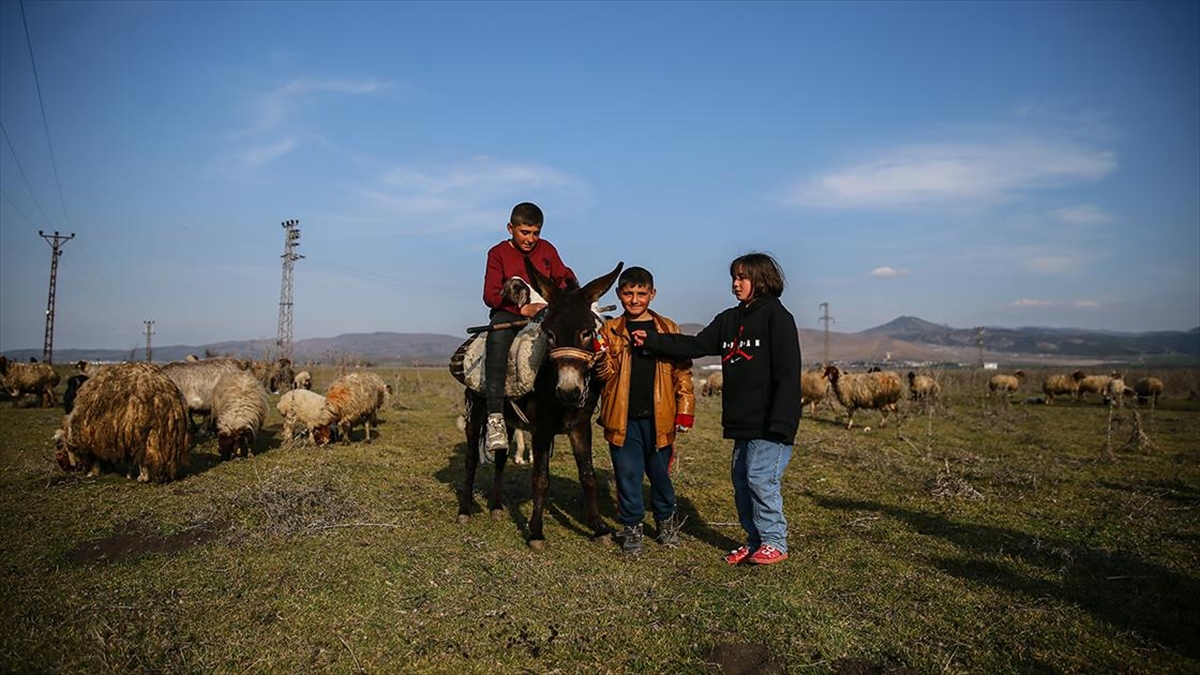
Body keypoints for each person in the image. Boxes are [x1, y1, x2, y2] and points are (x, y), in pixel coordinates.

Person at [632, 252, 801, 565]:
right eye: (734, 278)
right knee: (741, 483)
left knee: (760, 479)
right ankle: (754, 542)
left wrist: (783, 423)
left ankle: (775, 541)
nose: (736, 284)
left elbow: (789, 374)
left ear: (762, 280)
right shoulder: (729, 319)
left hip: (771, 422)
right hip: (743, 420)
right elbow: (696, 346)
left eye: (743, 277)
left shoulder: (777, 318)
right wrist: (653, 340)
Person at [594, 266, 696, 555]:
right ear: (619, 294)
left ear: (653, 294)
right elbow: (606, 375)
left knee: (660, 474)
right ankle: (632, 526)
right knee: (627, 473)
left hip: (660, 417)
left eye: (641, 293)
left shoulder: (668, 328)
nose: (635, 299)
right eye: (628, 294)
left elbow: (682, 372)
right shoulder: (610, 330)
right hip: (622, 416)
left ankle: (665, 521)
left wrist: (685, 409)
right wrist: (599, 356)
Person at [481, 202, 577, 456]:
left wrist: (571, 288)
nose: (531, 239)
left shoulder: (547, 250)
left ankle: (564, 409)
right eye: (525, 232)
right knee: (497, 342)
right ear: (511, 228)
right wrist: (522, 310)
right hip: (508, 313)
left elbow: (563, 275)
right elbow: (490, 295)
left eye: (536, 233)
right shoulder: (498, 253)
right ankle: (495, 419)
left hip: (545, 312)